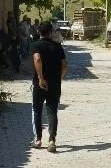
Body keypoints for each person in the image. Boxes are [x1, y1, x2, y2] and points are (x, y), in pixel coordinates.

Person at [30, 21, 68, 153]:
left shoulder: (35, 45)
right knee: (52, 111)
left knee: (37, 110)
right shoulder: (58, 47)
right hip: (55, 84)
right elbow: (64, 65)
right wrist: (59, 79)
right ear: (50, 32)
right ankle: (52, 140)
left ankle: (38, 140)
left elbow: (37, 59)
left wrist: (40, 78)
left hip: (40, 83)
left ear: (38, 32)